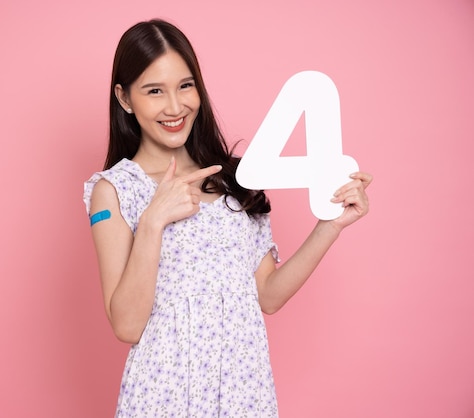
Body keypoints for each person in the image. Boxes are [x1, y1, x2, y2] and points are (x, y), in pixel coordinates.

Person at [83, 18, 371, 418]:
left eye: (185, 86)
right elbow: (127, 326)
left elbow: (267, 295)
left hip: (243, 391)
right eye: (154, 91)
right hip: (163, 395)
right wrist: (153, 221)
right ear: (125, 98)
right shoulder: (113, 191)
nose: (174, 106)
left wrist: (332, 224)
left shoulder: (237, 179)